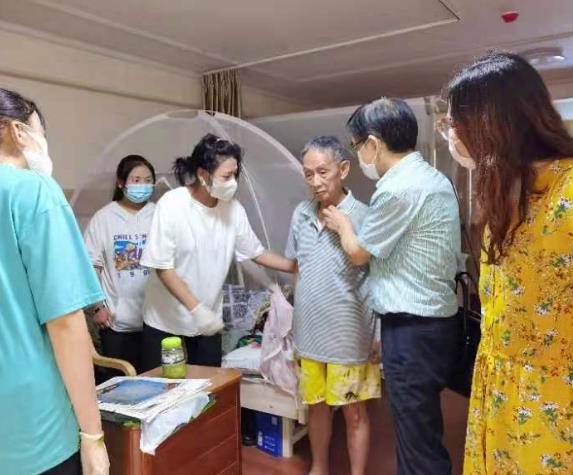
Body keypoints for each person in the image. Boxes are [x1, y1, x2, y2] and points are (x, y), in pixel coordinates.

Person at [0, 87, 109, 475]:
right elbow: (65, 324)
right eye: (41, 131)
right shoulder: (33, 191)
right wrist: (93, 435)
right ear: (18, 132)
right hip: (31, 437)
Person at [443, 52, 573, 474]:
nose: (452, 136)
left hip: (561, 408)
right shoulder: (505, 197)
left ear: (491, 125)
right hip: (499, 398)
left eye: (455, 124)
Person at [322, 98, 462, 475]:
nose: (360, 156)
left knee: (417, 441)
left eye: (357, 146)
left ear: (373, 143)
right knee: (421, 430)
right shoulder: (434, 178)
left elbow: (359, 254)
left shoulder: (398, 189)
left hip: (413, 328)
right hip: (432, 323)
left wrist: (343, 225)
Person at [139, 133, 296, 371]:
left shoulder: (233, 209)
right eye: (226, 176)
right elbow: (163, 267)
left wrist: (297, 266)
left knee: (211, 389)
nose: (233, 182)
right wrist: (196, 309)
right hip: (167, 324)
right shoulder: (172, 204)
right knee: (169, 390)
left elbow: (257, 253)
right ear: (203, 175)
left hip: (208, 324)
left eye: (235, 175)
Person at [286, 136, 381, 475]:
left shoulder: (364, 215)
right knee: (316, 407)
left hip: (349, 334)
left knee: (354, 411)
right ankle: (320, 467)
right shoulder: (301, 214)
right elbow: (297, 268)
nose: (315, 181)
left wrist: (378, 333)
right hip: (309, 333)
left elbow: (378, 278)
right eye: (308, 174)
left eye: (322, 172)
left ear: (343, 169)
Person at [84, 155, 156, 373]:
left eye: (148, 180)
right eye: (136, 180)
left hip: (156, 323)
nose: (142, 185)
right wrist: (98, 307)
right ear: (121, 183)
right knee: (121, 383)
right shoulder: (104, 218)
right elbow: (91, 267)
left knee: (157, 382)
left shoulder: (159, 214)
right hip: (116, 323)